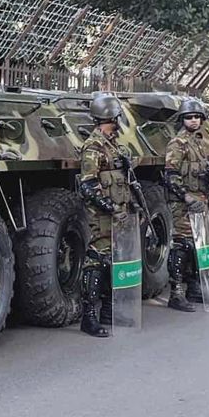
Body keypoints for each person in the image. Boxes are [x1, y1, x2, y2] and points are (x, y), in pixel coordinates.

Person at [76, 92, 137, 337]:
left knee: (113, 262)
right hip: (101, 216)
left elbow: (125, 182)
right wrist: (112, 209)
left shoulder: (115, 146)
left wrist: (131, 208)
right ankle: (89, 317)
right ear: (112, 117)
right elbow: (88, 185)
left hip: (119, 213)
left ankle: (109, 313)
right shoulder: (93, 146)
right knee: (96, 263)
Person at [163, 99, 209, 312]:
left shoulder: (200, 143)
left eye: (196, 117)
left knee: (196, 246)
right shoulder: (177, 143)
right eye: (189, 117)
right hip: (183, 203)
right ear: (182, 120)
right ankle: (176, 293)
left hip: (200, 200)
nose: (193, 120)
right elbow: (171, 176)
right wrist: (186, 198)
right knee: (182, 246)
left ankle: (193, 287)